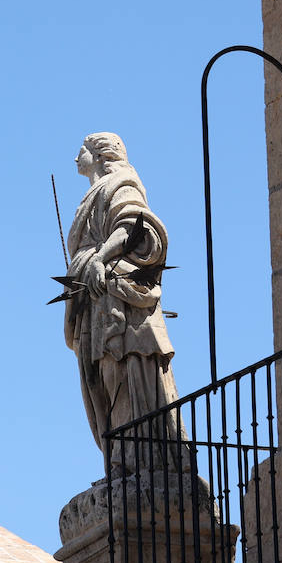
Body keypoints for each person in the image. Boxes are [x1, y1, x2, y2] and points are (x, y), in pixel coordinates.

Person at [64, 132, 182, 476]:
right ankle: (120, 460)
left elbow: (133, 225)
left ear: (100, 155)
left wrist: (100, 257)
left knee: (125, 373)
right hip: (98, 301)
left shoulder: (122, 184)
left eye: (81, 150)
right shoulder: (93, 194)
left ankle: (141, 460)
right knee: (104, 379)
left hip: (122, 302)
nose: (76, 158)